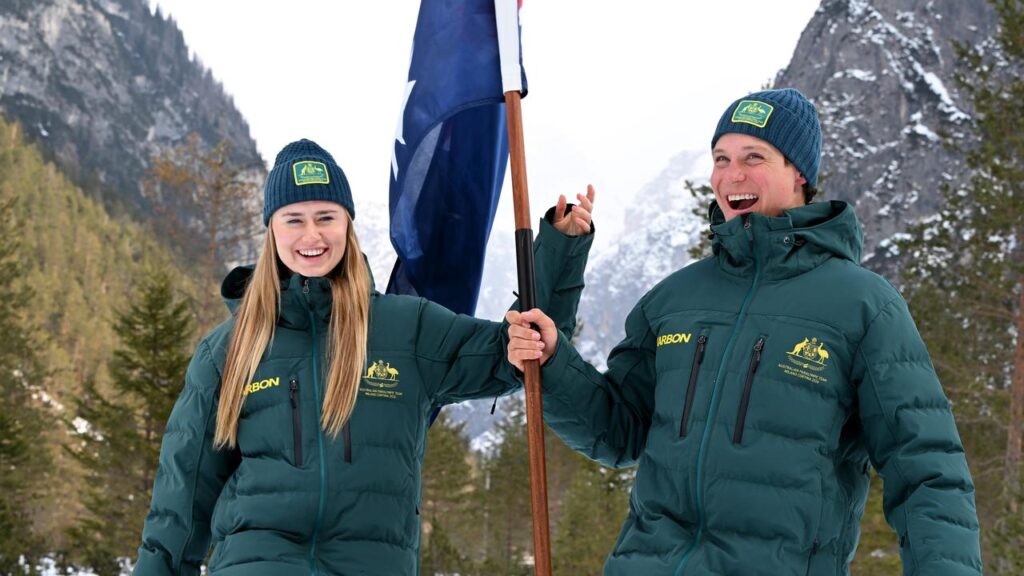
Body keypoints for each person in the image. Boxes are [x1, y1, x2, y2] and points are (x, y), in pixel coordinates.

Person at [506, 88, 982, 575]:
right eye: (721, 158)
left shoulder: (864, 306)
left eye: (754, 156)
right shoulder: (674, 300)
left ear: (799, 172)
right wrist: (553, 361)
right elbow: (617, 434)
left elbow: (927, 470)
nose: (733, 174)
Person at [134, 138, 596, 575]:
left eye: (325, 216)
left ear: (347, 224)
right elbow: (183, 494)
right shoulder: (228, 349)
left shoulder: (407, 329)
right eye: (293, 218)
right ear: (271, 229)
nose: (310, 234)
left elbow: (515, 350)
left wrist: (560, 249)